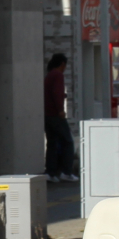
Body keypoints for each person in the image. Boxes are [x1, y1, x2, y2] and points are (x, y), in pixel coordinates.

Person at [42, 53, 76, 182]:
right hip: (56, 114)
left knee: (52, 143)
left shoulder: (49, 75)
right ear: (62, 63)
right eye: (65, 65)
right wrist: (61, 110)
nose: (65, 68)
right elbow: (56, 93)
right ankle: (66, 172)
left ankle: (50, 173)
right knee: (68, 141)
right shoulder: (58, 75)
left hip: (47, 114)